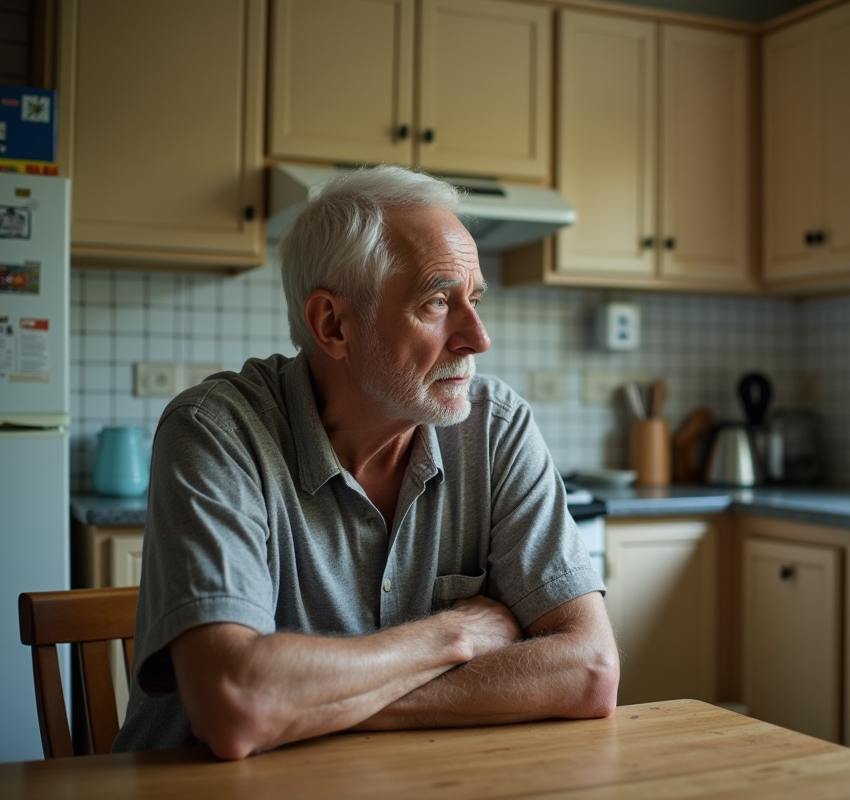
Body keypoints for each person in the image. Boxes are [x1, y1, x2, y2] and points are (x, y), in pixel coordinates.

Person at [112, 166, 619, 759]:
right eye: (436, 301)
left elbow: (588, 670)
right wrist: (455, 634)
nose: (478, 338)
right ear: (333, 324)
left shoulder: (495, 425)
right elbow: (237, 703)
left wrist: (308, 708)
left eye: (474, 299)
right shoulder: (217, 432)